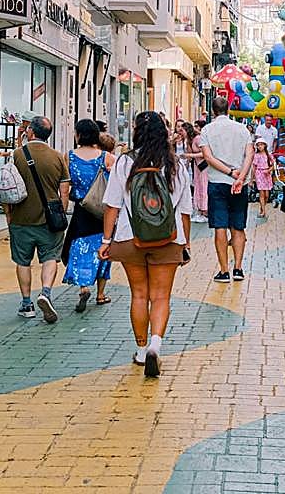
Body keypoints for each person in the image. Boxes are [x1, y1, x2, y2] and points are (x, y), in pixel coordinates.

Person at [98, 111, 193, 378]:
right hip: (169, 239)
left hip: (130, 238)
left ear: (137, 132)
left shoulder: (124, 163)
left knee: (139, 295)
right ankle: (156, 345)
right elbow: (185, 210)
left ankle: (140, 351)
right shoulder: (176, 165)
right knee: (161, 296)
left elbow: (112, 205)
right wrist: (184, 244)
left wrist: (107, 241)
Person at [6, 116, 70, 323]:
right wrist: (61, 212)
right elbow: (65, 189)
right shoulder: (58, 157)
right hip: (50, 219)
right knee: (50, 258)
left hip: (21, 218)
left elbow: (5, 188)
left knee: (23, 261)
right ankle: (46, 293)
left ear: (31, 132)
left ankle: (27, 304)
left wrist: (9, 215)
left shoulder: (17, 155)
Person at [61, 119, 117, 313]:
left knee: (79, 247)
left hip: (81, 209)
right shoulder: (107, 157)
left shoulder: (69, 156)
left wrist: (63, 207)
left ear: (78, 135)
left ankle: (83, 287)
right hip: (103, 210)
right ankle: (101, 294)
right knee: (104, 247)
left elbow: (65, 187)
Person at [198, 95, 254, 282]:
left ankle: (224, 270)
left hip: (218, 182)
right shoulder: (242, 129)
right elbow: (249, 155)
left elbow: (208, 158)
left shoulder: (207, 130)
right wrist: (241, 176)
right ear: (228, 109)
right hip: (240, 183)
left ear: (213, 110)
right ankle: (238, 268)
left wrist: (230, 173)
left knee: (220, 227)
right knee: (238, 226)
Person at [183, 122, 209, 223]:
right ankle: (200, 209)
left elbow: (204, 153)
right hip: (197, 166)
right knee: (197, 186)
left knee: (203, 186)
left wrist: (190, 156)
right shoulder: (189, 141)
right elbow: (189, 152)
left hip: (203, 166)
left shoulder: (198, 139)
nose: (181, 133)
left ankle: (205, 211)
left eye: (183, 131)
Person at [252, 140, 274, 217]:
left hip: (267, 175)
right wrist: (252, 178)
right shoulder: (256, 155)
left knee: (267, 195)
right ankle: (264, 211)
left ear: (265, 145)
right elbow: (254, 167)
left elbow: (273, 164)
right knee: (261, 193)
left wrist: (269, 170)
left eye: (261, 144)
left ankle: (262, 207)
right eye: (258, 145)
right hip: (259, 174)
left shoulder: (269, 155)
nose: (260, 146)